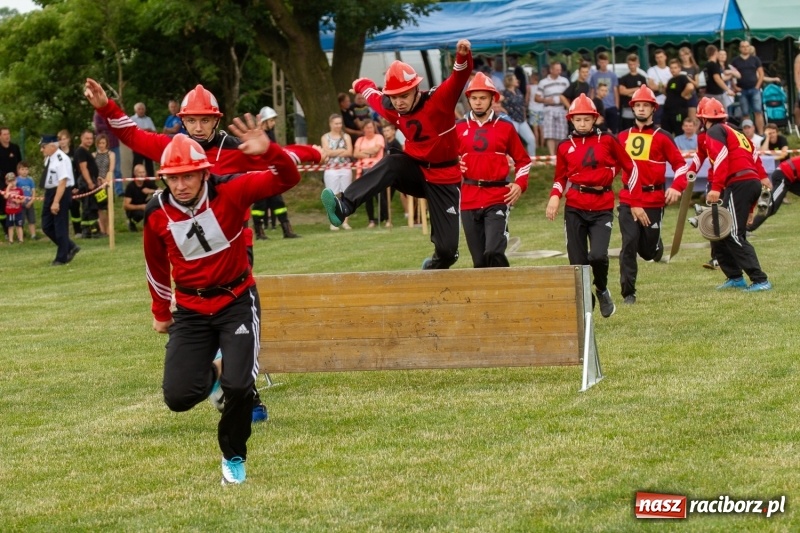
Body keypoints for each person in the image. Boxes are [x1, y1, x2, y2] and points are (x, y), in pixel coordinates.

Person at [85, 78, 321, 423]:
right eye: (191, 120)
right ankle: (210, 377)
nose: (197, 127)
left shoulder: (236, 148)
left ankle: (245, 393)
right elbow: (133, 135)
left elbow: (285, 162)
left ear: (216, 120)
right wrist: (106, 108)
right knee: (197, 330)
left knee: (233, 317)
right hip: (188, 253)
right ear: (182, 121)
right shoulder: (173, 151)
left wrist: (315, 151)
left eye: (204, 120)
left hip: (234, 246)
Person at [144, 126, 301, 485]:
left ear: (203, 172)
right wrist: (160, 310)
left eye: (187, 176)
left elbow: (286, 178)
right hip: (191, 308)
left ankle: (233, 454)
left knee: (240, 385)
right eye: (173, 178)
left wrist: (270, 152)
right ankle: (215, 371)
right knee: (178, 396)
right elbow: (154, 263)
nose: (180, 185)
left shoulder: (232, 189)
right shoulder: (157, 211)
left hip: (236, 301)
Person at [322, 39, 473, 269]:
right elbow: (371, 92)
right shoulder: (390, 105)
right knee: (392, 161)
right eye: (394, 97)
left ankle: (436, 264)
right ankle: (344, 205)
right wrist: (360, 83)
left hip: (445, 179)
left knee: (448, 250)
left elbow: (458, 78)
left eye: (404, 96)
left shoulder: (439, 100)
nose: (399, 103)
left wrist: (462, 57)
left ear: (415, 89)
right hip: (415, 170)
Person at [545, 94, 641, 318]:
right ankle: (585, 302)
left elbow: (630, 166)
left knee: (597, 255)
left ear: (595, 119)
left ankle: (601, 289)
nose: (582, 124)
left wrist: (633, 198)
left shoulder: (607, 140)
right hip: (575, 207)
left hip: (602, 207)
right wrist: (554, 196)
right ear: (571, 120)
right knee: (576, 263)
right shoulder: (563, 146)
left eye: (586, 119)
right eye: (577, 120)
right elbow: (560, 178)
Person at [687, 97, 771, 291]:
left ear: (702, 118)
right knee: (719, 230)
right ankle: (735, 277)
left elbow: (721, 157)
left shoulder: (715, 131)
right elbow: (754, 157)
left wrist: (716, 187)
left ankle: (760, 280)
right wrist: (750, 208)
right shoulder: (736, 132)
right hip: (750, 183)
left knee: (731, 233)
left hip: (738, 183)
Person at [617, 86, 690, 304]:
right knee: (629, 243)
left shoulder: (663, 137)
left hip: (653, 200)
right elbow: (609, 166)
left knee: (647, 252)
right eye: (637, 105)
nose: (641, 109)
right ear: (633, 109)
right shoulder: (621, 137)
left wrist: (677, 186)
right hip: (629, 199)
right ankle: (628, 292)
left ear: (652, 109)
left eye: (645, 105)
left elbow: (680, 165)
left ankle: (656, 247)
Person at [456, 72, 531, 267]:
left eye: (483, 98)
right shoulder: (457, 128)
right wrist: (454, 164)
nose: (478, 102)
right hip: (469, 199)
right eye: (474, 98)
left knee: (493, 250)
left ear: (492, 99)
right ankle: (488, 297)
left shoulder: (506, 127)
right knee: (479, 261)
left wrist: (520, 184)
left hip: (498, 197)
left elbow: (523, 161)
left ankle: (506, 292)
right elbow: (444, 162)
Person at [251, 106, 300, 238]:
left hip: (272, 173)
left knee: (278, 202)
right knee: (260, 204)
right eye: (271, 120)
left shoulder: (270, 133)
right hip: (261, 173)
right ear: (265, 121)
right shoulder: (260, 135)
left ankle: (287, 230)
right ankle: (259, 231)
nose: (273, 123)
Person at [39, 135, 80, 266]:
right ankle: (70, 246)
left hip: (60, 192)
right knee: (46, 226)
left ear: (52, 145)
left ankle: (61, 257)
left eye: (43, 146)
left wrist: (56, 201)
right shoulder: (49, 158)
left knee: (60, 225)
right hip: (50, 192)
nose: (41, 149)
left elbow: (63, 181)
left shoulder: (62, 159)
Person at [747, 154, 800, 231]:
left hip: (791, 177)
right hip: (783, 175)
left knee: (771, 206)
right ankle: (748, 228)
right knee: (771, 205)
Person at [321, 114, 354, 231]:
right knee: (332, 195)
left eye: (340, 123)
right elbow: (327, 152)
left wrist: (335, 152)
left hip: (345, 169)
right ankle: (333, 221)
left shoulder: (346, 136)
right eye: (336, 123)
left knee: (345, 195)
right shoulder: (325, 137)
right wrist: (341, 151)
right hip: (331, 169)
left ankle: (345, 221)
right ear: (331, 124)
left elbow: (349, 152)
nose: (338, 126)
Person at [353, 119, 386, 228]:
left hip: (376, 169)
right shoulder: (360, 140)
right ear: (363, 129)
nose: (369, 130)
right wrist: (368, 153)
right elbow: (355, 154)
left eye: (371, 127)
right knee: (367, 196)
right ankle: (371, 220)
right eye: (366, 128)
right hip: (364, 170)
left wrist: (363, 153)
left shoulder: (379, 137)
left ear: (374, 128)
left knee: (380, 195)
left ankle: (386, 218)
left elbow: (376, 150)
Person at [74, 130, 106, 238]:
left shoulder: (85, 151)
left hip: (90, 180)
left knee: (88, 207)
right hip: (86, 181)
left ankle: (86, 231)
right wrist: (90, 182)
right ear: (81, 138)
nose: (89, 140)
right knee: (90, 206)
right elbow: (83, 168)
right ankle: (95, 231)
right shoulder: (81, 151)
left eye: (91, 138)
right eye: (87, 138)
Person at [731, 40, 765, 134]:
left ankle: (761, 134)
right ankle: (747, 134)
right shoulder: (735, 61)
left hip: (754, 89)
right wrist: (735, 87)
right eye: (743, 46)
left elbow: (761, 73)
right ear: (740, 48)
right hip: (742, 90)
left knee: (758, 112)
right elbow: (731, 75)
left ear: (749, 47)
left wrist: (758, 86)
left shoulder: (755, 59)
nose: (745, 48)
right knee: (745, 113)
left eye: (747, 46)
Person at [536, 61, 570, 155]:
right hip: (549, 109)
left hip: (561, 109)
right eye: (557, 69)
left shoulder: (565, 81)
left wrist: (568, 108)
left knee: (561, 133)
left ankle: (559, 154)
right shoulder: (543, 82)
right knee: (550, 133)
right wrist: (545, 100)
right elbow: (537, 97)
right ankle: (552, 155)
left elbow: (569, 95)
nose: (559, 71)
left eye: (560, 69)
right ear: (551, 70)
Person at [501, 73, 536, 157]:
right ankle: (509, 159)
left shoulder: (518, 91)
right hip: (512, 120)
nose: (517, 80)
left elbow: (522, 105)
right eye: (515, 79)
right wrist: (504, 111)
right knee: (511, 142)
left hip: (521, 120)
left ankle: (532, 158)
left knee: (531, 139)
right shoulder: (504, 93)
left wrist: (524, 116)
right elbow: (496, 103)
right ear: (510, 81)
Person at [57, 130, 82, 237]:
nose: (62, 142)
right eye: (60, 140)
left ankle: (78, 231)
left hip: (73, 186)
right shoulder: (56, 154)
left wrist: (77, 186)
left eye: (64, 139)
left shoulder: (74, 153)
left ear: (68, 140)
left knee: (75, 209)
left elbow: (79, 171)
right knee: (62, 210)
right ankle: (63, 233)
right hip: (60, 186)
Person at [662, 59, 695, 136]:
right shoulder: (670, 80)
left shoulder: (682, 78)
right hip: (668, 112)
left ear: (679, 68)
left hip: (679, 112)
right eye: (671, 68)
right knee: (666, 133)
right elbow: (667, 93)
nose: (673, 70)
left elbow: (690, 86)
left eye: (675, 68)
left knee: (679, 131)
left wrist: (683, 94)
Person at [590, 52, 620, 133]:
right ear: (598, 63)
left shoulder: (612, 75)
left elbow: (615, 90)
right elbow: (592, 91)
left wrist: (617, 105)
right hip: (599, 107)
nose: (603, 64)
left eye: (605, 62)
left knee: (613, 130)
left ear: (608, 62)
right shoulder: (594, 75)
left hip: (611, 105)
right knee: (601, 129)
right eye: (601, 62)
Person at [0, 127, 22, 233]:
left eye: (8, 134)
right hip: (1, 182)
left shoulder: (15, 148)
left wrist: (17, 179)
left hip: (15, 182)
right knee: (3, 207)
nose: (7, 136)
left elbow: (19, 164)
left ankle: (19, 229)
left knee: (16, 204)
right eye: (4, 134)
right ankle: (6, 230)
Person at [93, 133, 115, 236]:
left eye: (103, 143)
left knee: (109, 207)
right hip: (98, 184)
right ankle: (102, 229)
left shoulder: (111, 154)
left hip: (108, 183)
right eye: (100, 143)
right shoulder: (94, 155)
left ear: (106, 144)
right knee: (100, 208)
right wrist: (98, 179)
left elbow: (111, 168)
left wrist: (106, 180)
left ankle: (109, 228)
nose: (101, 145)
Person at [124, 164, 157, 231]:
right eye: (140, 173)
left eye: (143, 172)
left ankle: (155, 224)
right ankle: (132, 223)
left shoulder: (147, 182)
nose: (142, 175)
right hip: (133, 209)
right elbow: (126, 206)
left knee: (157, 201)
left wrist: (151, 191)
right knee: (141, 213)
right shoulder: (130, 186)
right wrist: (141, 207)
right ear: (135, 173)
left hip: (143, 204)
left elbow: (161, 191)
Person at [619, 54, 647, 130]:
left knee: (639, 130)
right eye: (630, 64)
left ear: (637, 64)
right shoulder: (624, 78)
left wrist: (629, 92)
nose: (632, 66)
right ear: (628, 65)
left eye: (634, 64)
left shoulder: (642, 78)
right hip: (627, 108)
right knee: (627, 130)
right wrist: (637, 89)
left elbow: (643, 93)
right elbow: (622, 92)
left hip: (639, 109)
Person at [130, 102, 157, 177]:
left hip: (148, 145)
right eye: (139, 109)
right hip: (137, 145)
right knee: (137, 164)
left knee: (149, 165)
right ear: (135, 110)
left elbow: (154, 131)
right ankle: (135, 183)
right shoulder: (132, 119)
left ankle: (151, 183)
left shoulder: (148, 119)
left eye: (142, 109)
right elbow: (132, 132)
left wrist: (144, 131)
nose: (141, 111)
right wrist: (145, 130)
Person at [646, 49, 671, 127]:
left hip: (669, 101)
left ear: (665, 57)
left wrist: (659, 86)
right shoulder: (651, 70)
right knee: (657, 123)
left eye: (661, 57)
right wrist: (664, 86)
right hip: (657, 102)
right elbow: (651, 86)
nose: (659, 59)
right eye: (657, 57)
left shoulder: (670, 70)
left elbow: (672, 86)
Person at [15, 161, 37, 240]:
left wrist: (31, 201)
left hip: (29, 203)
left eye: (26, 169)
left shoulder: (30, 180)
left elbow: (33, 191)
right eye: (22, 169)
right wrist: (19, 200)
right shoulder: (16, 180)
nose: (25, 171)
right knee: (21, 220)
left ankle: (33, 235)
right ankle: (20, 236)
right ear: (18, 170)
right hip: (20, 203)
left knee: (31, 219)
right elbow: (14, 191)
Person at [4, 173, 24, 243]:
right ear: (6, 182)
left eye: (13, 181)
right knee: (10, 226)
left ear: (16, 181)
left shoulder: (19, 190)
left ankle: (21, 239)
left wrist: (19, 201)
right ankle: (11, 240)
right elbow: (6, 197)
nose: (12, 183)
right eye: (9, 181)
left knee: (19, 226)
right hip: (9, 211)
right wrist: (8, 187)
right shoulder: (6, 190)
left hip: (18, 211)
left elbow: (23, 199)